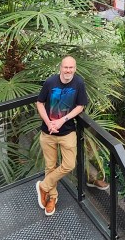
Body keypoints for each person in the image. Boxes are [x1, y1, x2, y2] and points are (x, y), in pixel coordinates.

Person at [35, 56, 88, 217]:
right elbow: (39, 103)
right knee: (50, 166)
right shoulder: (50, 82)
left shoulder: (78, 83)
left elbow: (80, 106)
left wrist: (62, 120)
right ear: (60, 68)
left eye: (71, 67)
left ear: (75, 68)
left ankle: (43, 186)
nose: (68, 70)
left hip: (68, 131)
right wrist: (49, 122)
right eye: (66, 67)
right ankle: (52, 198)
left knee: (69, 164)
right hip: (48, 132)